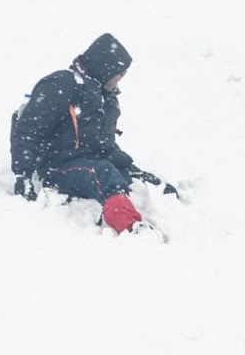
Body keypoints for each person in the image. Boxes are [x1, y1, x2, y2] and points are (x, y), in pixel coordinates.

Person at [10, 33, 172, 235]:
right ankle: (130, 227)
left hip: (91, 163)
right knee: (103, 174)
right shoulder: (63, 84)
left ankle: (178, 218)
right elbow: (28, 130)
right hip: (58, 166)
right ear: (106, 66)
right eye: (120, 72)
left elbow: (104, 145)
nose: (121, 78)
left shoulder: (107, 99)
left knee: (152, 185)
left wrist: (131, 169)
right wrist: (22, 175)